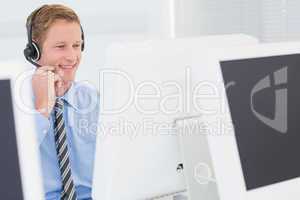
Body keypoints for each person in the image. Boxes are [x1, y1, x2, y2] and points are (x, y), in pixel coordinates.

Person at [24, 4, 99, 200]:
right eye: (60, 46)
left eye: (76, 45)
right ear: (34, 51)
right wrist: (42, 109)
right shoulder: (16, 103)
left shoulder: (94, 100)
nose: (72, 56)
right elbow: (10, 168)